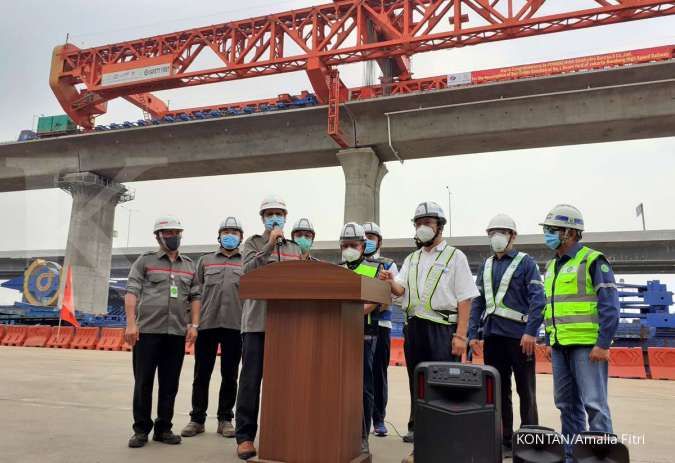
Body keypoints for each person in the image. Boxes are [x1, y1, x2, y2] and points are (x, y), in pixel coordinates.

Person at [378, 201, 479, 462]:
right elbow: (401, 291)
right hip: (415, 330)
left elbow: (466, 299)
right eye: (418, 224)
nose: (422, 228)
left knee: (443, 388)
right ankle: (423, 442)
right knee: (418, 387)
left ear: (440, 227)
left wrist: (461, 336)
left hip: (443, 331)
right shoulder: (411, 259)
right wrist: (390, 283)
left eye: (428, 223)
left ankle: (445, 444)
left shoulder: (455, 257)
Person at [540, 204, 619, 463]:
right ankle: (572, 456)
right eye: (547, 229)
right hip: (560, 346)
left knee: (595, 405)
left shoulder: (593, 259)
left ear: (570, 232)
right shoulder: (552, 266)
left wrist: (603, 344)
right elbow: (551, 307)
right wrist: (552, 340)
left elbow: (610, 305)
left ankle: (602, 457)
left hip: (588, 346)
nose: (548, 234)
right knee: (567, 406)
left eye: (553, 230)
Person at [468, 213, 545, 455]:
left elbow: (538, 301)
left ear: (513, 236)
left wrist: (531, 332)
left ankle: (529, 441)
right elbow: (477, 303)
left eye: (501, 232)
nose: (496, 237)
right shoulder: (486, 265)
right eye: (492, 233)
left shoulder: (526, 263)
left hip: (520, 338)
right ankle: (505, 440)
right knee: (499, 392)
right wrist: (473, 334)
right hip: (493, 338)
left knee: (526, 390)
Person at [235, 196, 303, 460]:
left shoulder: (295, 248)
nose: (275, 217)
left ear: (286, 216)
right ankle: (245, 437)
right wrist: (269, 245)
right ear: (262, 217)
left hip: (288, 326)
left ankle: (282, 433)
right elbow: (248, 273)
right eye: (270, 213)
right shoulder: (252, 243)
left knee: (286, 382)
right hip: (257, 323)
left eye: (279, 213)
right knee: (251, 381)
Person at [125, 215, 200, 448]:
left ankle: (164, 428)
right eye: (168, 233)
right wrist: (130, 324)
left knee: (170, 384)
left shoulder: (189, 265)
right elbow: (131, 292)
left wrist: (194, 325)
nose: (173, 237)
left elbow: (196, 296)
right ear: (158, 236)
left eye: (177, 233)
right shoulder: (145, 261)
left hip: (176, 333)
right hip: (147, 332)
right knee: (143, 382)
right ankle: (141, 430)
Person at [181, 217, 244, 439]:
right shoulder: (205, 261)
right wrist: (191, 322)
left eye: (234, 232)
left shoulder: (246, 261)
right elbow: (193, 293)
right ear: (219, 235)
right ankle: (197, 419)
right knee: (202, 374)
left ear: (241, 237)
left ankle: (225, 419)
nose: (230, 235)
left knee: (230, 375)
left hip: (235, 326)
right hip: (206, 325)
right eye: (226, 231)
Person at [339, 222, 383, 455]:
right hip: (338, 334)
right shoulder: (335, 269)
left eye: (353, 245)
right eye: (344, 245)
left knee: (363, 387)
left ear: (363, 245)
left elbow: (376, 300)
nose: (348, 249)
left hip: (364, 335)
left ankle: (362, 436)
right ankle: (340, 431)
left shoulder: (374, 269)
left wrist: (352, 312)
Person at [362, 221, 399, 437]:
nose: (367, 241)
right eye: (364, 237)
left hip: (381, 325)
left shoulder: (388, 264)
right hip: (358, 325)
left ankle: (379, 419)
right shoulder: (356, 263)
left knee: (378, 374)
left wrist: (369, 306)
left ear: (379, 241)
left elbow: (388, 299)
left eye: (372, 237)